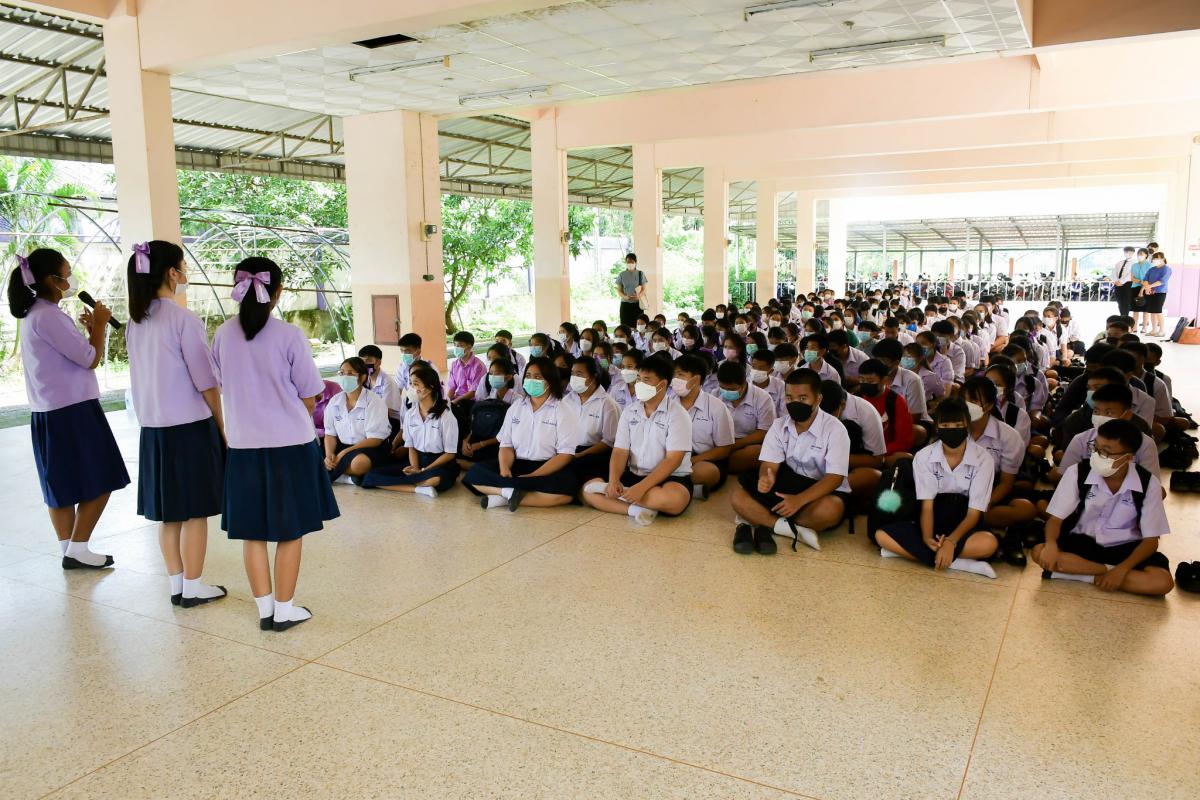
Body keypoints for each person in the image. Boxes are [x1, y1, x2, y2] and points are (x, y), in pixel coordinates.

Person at [211, 258, 339, 632]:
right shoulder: (289, 335)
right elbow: (310, 394)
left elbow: (222, 384)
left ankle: (265, 610)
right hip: (290, 446)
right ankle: (284, 610)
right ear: (277, 292)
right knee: (289, 530)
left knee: (252, 532)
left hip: (243, 446)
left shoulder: (223, 334)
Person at [8, 249, 129, 570]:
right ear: (53, 280)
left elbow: (76, 355)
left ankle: (70, 549)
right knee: (102, 478)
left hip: (49, 412)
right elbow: (90, 359)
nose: (71, 278)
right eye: (67, 272)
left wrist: (92, 333)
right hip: (73, 411)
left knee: (60, 486)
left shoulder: (35, 314)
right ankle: (77, 547)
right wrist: (100, 325)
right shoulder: (48, 316)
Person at [125, 240, 226, 605]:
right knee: (196, 512)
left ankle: (177, 585)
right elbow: (205, 381)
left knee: (169, 515)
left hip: (153, 431)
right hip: (189, 428)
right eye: (182, 266)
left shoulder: (136, 322)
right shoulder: (184, 319)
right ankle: (195, 586)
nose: (185, 273)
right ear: (171, 273)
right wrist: (221, 425)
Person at [1033, 419, 1173, 596]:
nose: (1098, 456)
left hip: (1126, 548)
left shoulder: (1148, 483)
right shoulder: (1078, 472)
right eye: (1096, 448)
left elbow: (1151, 541)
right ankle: (1106, 574)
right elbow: (1055, 519)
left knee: (1162, 582)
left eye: (1106, 452)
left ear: (1128, 457)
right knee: (1040, 552)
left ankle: (1082, 574)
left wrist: (1122, 569)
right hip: (1082, 543)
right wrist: (1052, 544)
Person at [730, 369, 849, 554]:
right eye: (789, 398)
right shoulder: (779, 425)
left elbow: (835, 478)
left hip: (819, 490)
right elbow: (769, 464)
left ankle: (763, 519)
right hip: (788, 483)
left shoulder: (835, 429)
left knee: (830, 510)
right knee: (737, 497)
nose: (794, 403)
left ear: (818, 399)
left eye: (803, 398)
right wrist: (766, 477)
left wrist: (799, 501)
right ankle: (792, 530)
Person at [875, 399, 998, 577]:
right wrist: (926, 538)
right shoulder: (924, 456)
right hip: (933, 517)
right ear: (937, 427)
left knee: (989, 543)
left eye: (958, 425)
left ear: (967, 425)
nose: (952, 429)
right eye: (946, 425)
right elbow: (927, 507)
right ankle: (959, 563)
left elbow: (974, 514)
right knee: (881, 536)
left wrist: (951, 542)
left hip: (964, 520)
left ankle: (919, 554)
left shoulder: (984, 459)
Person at [582, 355, 694, 525]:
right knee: (587, 490)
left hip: (670, 477)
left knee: (673, 500)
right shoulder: (630, 411)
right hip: (636, 473)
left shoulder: (678, 415)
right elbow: (620, 451)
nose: (639, 384)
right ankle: (637, 509)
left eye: (646, 380)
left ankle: (626, 496)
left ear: (662, 384)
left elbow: (673, 460)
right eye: (639, 379)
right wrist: (614, 480)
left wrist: (642, 488)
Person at [462, 357, 581, 510]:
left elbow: (565, 455)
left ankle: (503, 496)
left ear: (550, 381)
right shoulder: (517, 407)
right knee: (475, 473)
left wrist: (534, 476)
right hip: (517, 464)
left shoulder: (563, 410)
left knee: (566, 490)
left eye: (537, 377)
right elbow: (506, 445)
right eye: (528, 376)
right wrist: (505, 468)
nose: (532, 380)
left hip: (547, 467)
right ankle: (509, 492)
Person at [362, 363, 460, 496]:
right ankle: (418, 488)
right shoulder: (410, 415)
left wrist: (424, 470)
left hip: (439, 464)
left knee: (434, 479)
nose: (411, 388)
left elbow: (449, 454)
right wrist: (415, 467)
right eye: (410, 384)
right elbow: (411, 447)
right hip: (417, 460)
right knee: (371, 476)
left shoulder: (446, 417)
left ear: (430, 388)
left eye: (415, 384)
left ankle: (418, 482)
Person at [1051, 383, 1159, 479]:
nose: (1100, 417)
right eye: (1096, 411)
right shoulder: (1080, 439)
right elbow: (1066, 477)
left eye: (1109, 413)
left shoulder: (1145, 444)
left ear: (1127, 415)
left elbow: (1151, 483)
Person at [673, 354, 734, 500]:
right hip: (672, 457)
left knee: (704, 472)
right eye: (674, 374)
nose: (675, 379)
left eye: (680, 375)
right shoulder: (667, 403)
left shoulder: (716, 407)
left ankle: (674, 486)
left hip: (703, 459)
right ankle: (690, 490)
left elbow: (724, 449)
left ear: (696, 379)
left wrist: (692, 461)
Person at [322, 357, 392, 483]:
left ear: (362, 377)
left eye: (350, 373)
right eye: (342, 373)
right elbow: (330, 433)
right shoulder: (335, 401)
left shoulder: (374, 401)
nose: (345, 377)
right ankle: (347, 476)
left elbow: (375, 440)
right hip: (342, 445)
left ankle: (340, 474)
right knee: (317, 457)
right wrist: (329, 455)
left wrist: (345, 452)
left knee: (359, 463)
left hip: (368, 447)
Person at [562, 355, 620, 485]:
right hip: (568, 450)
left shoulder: (607, 404)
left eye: (579, 374)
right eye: (572, 373)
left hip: (593, 454)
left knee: (570, 476)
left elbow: (608, 442)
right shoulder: (567, 400)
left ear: (593, 377)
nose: (574, 378)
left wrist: (581, 454)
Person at [715, 359, 776, 473]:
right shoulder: (714, 394)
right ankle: (716, 466)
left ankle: (716, 466)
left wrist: (733, 445)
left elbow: (763, 432)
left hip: (745, 443)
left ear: (744, 383)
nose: (726, 392)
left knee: (756, 452)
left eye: (732, 389)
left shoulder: (763, 398)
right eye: (723, 388)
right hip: (718, 442)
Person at [857, 358, 914, 456]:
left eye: (870, 381)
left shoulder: (896, 402)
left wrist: (879, 454)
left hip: (886, 453)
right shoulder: (856, 398)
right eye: (862, 380)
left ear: (884, 380)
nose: (865, 384)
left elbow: (904, 440)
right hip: (859, 452)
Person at [357, 344, 403, 437]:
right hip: (371, 418)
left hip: (391, 421)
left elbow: (386, 412)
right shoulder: (365, 380)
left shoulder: (388, 382)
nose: (364, 365)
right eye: (362, 361)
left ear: (378, 362)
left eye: (368, 361)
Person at [1142, 251, 1172, 337]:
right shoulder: (1151, 269)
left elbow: (1162, 281)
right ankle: (1154, 330)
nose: (1155, 260)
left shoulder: (1166, 269)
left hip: (1160, 292)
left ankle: (1162, 331)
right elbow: (1145, 279)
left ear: (1163, 259)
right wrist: (1147, 287)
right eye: (1154, 258)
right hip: (1149, 292)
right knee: (1152, 311)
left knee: (1158, 311)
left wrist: (1149, 286)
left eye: (1157, 258)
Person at [615, 252, 647, 327]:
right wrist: (625, 297)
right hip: (625, 304)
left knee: (638, 326)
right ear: (626, 263)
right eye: (628, 262)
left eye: (632, 262)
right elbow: (619, 290)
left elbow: (644, 289)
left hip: (637, 305)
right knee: (625, 326)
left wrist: (638, 296)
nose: (630, 264)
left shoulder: (640, 274)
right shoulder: (622, 274)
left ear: (635, 262)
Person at [1111, 246, 1136, 317]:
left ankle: (1125, 317)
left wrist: (1121, 282)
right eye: (1126, 252)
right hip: (1117, 284)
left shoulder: (1134, 263)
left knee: (1126, 302)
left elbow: (1131, 274)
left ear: (1133, 253)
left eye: (1129, 252)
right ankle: (1122, 316)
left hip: (1128, 284)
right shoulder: (1119, 263)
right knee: (1119, 301)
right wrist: (1116, 281)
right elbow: (1113, 272)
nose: (1127, 253)